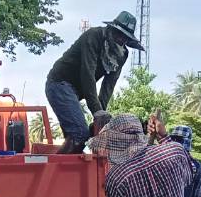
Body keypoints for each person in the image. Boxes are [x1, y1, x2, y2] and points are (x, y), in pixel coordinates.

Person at [44, 13, 144, 153]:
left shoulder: (122, 54)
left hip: (76, 92)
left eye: (124, 38)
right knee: (79, 134)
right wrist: (96, 111)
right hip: (59, 83)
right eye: (118, 34)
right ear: (111, 29)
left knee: (81, 138)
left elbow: (108, 86)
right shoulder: (93, 36)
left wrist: (100, 116)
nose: (120, 39)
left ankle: (68, 171)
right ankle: (53, 173)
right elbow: (87, 73)